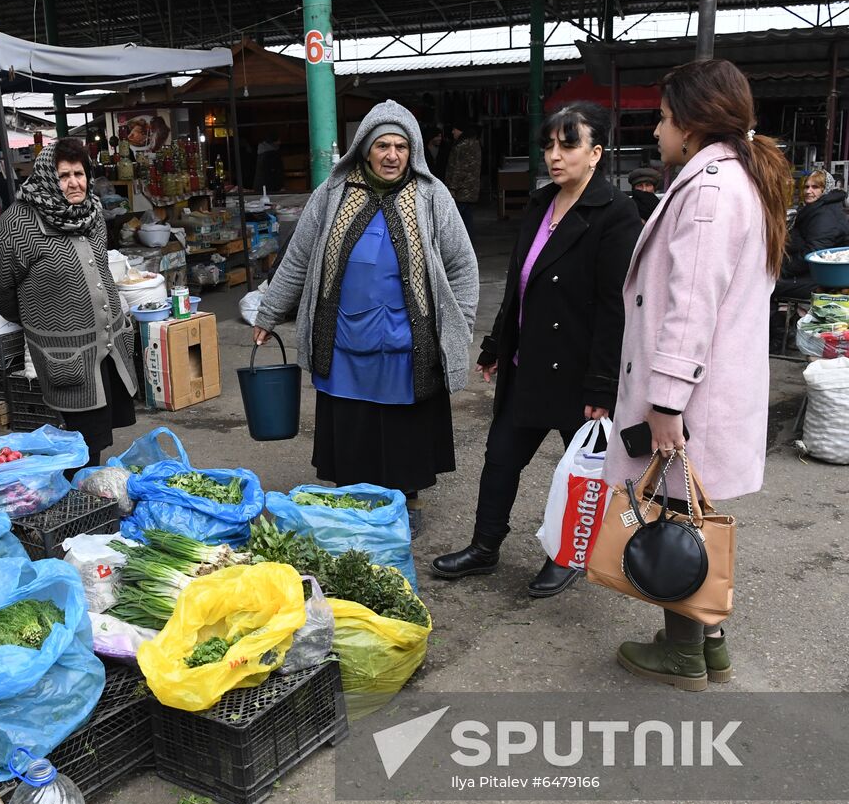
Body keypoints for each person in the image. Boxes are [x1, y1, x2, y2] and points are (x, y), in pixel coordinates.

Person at [604, 58, 791, 691]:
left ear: (690, 122)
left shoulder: (709, 187)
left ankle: (682, 655)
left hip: (693, 393)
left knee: (673, 518)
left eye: (660, 118)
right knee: (689, 512)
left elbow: (691, 306)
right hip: (713, 388)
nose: (656, 131)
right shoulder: (741, 179)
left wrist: (665, 399)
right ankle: (710, 645)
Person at [431, 102, 641, 596]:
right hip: (527, 367)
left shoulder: (615, 212)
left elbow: (617, 307)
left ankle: (566, 556)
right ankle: (484, 548)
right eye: (548, 145)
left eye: (569, 145)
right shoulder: (540, 203)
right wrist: (495, 345)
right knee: (501, 457)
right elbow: (519, 287)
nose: (555, 155)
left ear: (596, 153)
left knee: (582, 476)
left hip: (578, 372)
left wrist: (603, 384)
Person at [251, 100, 479, 501]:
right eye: (382, 146)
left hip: (406, 344)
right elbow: (299, 258)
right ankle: (353, 498)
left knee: (404, 425)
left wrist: (459, 325)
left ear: (414, 151)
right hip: (344, 341)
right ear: (365, 148)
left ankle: (403, 499)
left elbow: (462, 265)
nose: (392, 156)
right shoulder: (332, 193)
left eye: (401, 147)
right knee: (352, 422)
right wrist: (268, 314)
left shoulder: (431, 196)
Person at [0, 140, 137, 467]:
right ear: (47, 178)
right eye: (64, 175)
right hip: (67, 353)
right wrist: (38, 318)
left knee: (100, 432)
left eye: (79, 173)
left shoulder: (92, 213)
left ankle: (91, 494)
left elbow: (100, 268)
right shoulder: (18, 223)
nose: (74, 182)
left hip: (107, 345)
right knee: (82, 442)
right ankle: (83, 504)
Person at [776, 169, 849, 299]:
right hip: (810, 273)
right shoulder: (817, 209)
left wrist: (781, 268)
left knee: (765, 286)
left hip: (819, 278)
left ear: (825, 189)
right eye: (806, 187)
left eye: (815, 187)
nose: (808, 191)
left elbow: (814, 253)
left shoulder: (825, 215)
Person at [445, 119, 482, 232]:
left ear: (460, 130)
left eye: (454, 129)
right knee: (467, 220)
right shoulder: (475, 143)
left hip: (460, 191)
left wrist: (452, 188)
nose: (452, 132)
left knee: (456, 222)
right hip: (471, 189)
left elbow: (458, 169)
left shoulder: (461, 146)